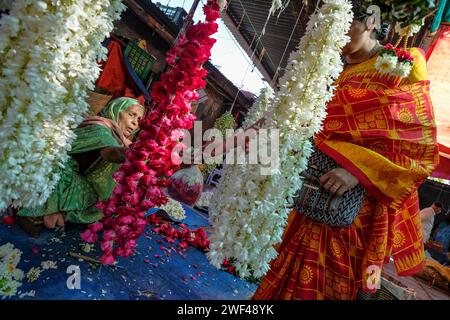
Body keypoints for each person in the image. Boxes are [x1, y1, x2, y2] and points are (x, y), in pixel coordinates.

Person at [252, 2, 439, 300]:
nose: (335, 35)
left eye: (342, 24)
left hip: (356, 205)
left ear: (371, 21)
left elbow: (417, 151)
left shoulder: (404, 64)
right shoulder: (329, 69)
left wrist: (356, 171)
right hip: (310, 190)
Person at [16, 97, 144, 235]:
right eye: (131, 114)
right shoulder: (100, 128)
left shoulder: (122, 142)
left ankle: (56, 212)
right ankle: (40, 210)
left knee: (106, 204)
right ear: (116, 109)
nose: (134, 122)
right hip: (56, 172)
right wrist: (141, 153)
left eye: (139, 120)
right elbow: (111, 154)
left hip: (78, 179)